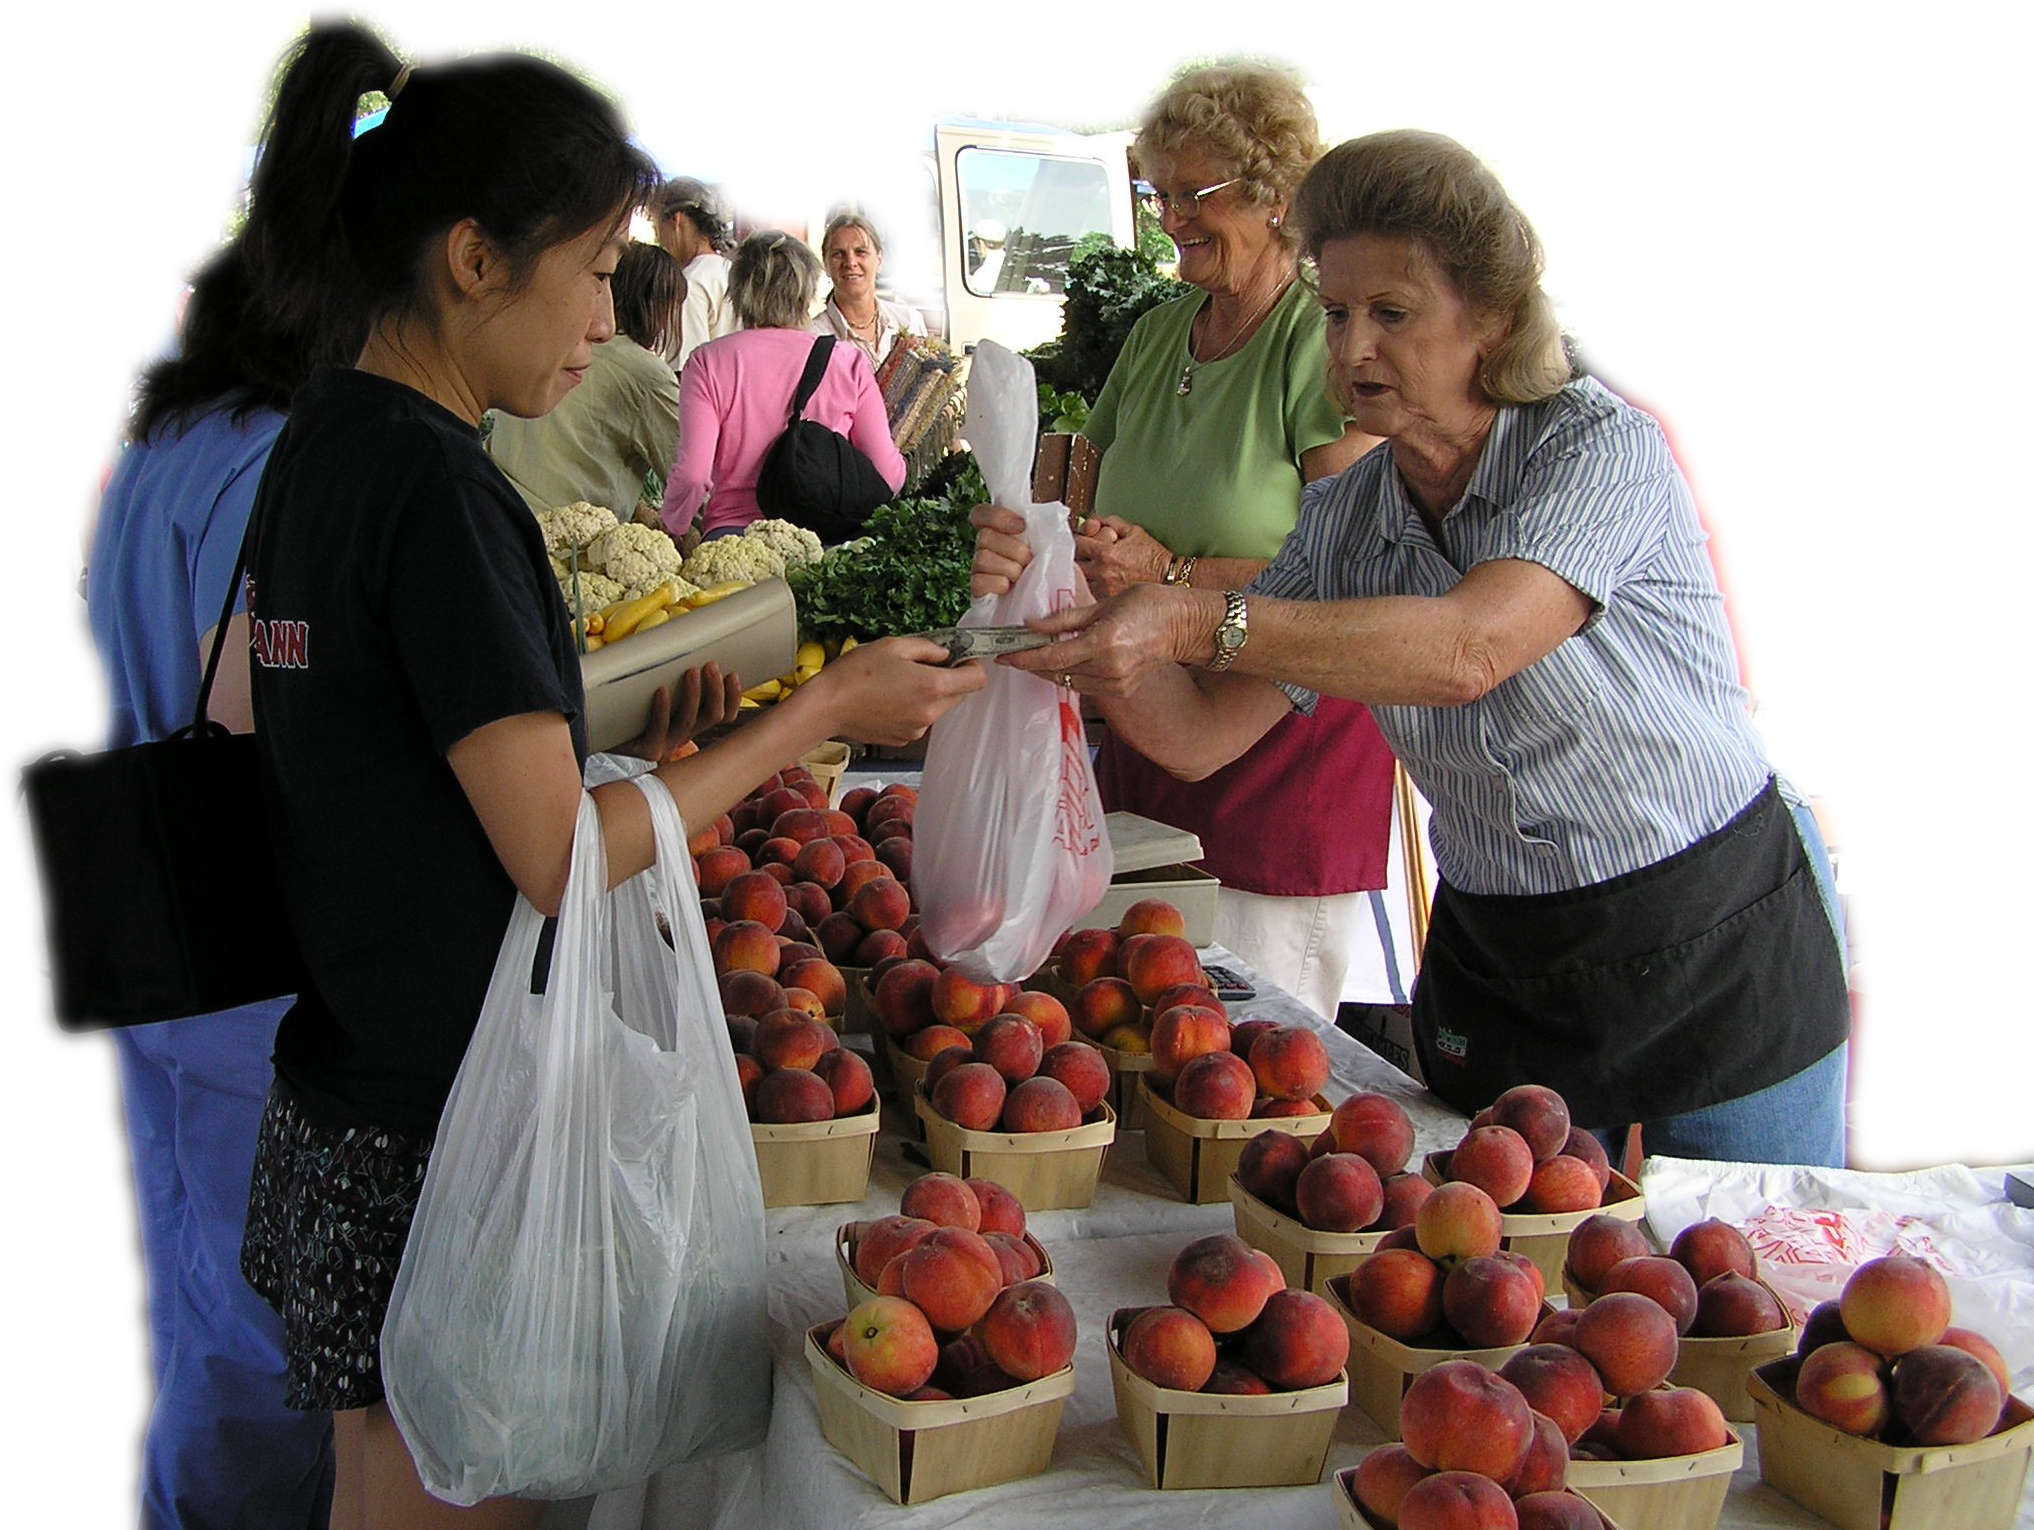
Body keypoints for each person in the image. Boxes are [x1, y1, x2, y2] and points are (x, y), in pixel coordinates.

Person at [234, 39, 984, 1529]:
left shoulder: (323, 441)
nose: (603, 320)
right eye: (587, 273)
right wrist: (824, 704)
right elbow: (554, 855)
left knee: (375, 1482)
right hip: (454, 1133)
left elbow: (377, 741)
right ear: (468, 258)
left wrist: (655, 739)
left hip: (344, 1094)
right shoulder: (446, 493)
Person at [973, 128, 1852, 1168]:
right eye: (1336, 313)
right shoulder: (1347, 521)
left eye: (1391, 314)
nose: (1351, 350)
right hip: (1510, 957)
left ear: (1488, 318)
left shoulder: (1593, 446)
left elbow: (1472, 646)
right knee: (1520, 1292)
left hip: (1709, 931)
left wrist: (1189, 614)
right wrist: (1070, 613)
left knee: (1754, 1281)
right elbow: (1202, 735)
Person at [83, 30, 414, 1530]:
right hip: (253, 976)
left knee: (202, 1309)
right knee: (263, 1358)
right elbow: (263, 725)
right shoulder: (295, 465)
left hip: (162, 940)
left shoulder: (179, 424)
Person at [1044, 64, 1394, 1023]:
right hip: (1144, 731)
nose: (1168, 218)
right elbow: (1071, 475)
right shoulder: (1159, 334)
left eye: (1192, 195)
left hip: (1280, 757)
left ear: (1276, 195)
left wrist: (1171, 576)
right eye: (1156, 192)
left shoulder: (1320, 342)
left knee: (1247, 1055)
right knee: (1120, 1023)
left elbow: (1353, 564)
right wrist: (1058, 535)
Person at [661, 227, 905, 542]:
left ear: (738, 292)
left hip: (736, 545)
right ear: (805, 291)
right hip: (823, 545)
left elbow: (694, 475)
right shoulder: (847, 363)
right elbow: (886, 474)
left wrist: (673, 527)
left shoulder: (707, 363)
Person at [486, 240, 684, 518]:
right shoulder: (644, 374)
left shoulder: (551, 343)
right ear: (661, 307)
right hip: (561, 536)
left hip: (495, 506)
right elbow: (689, 476)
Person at [810, 210, 925, 370]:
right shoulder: (813, 336)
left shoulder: (909, 322)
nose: (850, 262)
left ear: (879, 259)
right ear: (826, 264)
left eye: (860, 252)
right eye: (838, 254)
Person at [650, 175, 735, 371]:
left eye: (657, 225)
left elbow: (684, 367)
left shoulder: (689, 282)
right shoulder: (731, 270)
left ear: (676, 220)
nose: (658, 237)